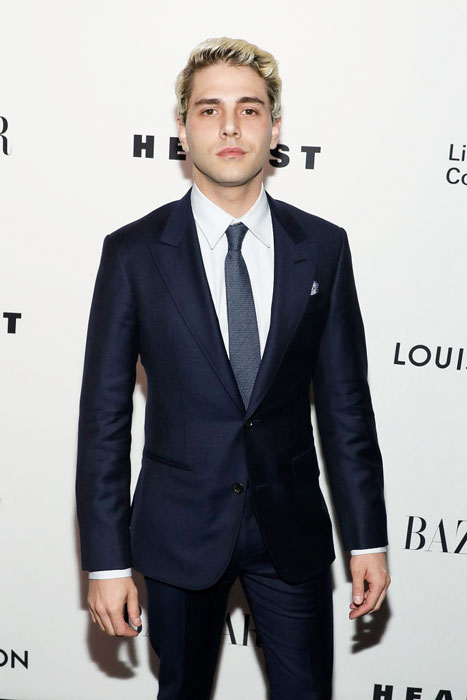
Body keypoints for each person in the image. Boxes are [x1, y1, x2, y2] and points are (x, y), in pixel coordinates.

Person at [76, 37, 390, 700]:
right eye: (208, 109)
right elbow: (103, 419)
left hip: (291, 533)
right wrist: (106, 562)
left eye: (248, 110)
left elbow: (345, 407)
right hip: (177, 534)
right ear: (182, 130)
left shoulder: (322, 247)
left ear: (273, 131)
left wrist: (367, 540)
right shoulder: (133, 253)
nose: (228, 126)